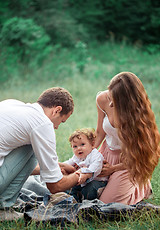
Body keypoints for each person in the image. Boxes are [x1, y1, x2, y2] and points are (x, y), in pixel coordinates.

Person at [0, 87, 80, 221]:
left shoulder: (12, 104)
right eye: (62, 121)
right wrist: (81, 174)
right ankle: (3, 208)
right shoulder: (41, 124)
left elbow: (15, 165)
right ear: (57, 110)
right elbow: (55, 186)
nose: (57, 127)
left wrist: (57, 165)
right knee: (32, 146)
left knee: (30, 143)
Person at [95, 72, 160, 205]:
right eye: (110, 96)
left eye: (116, 100)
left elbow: (141, 157)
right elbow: (99, 132)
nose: (111, 104)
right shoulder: (102, 99)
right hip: (106, 153)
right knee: (83, 188)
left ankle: (141, 188)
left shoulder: (139, 119)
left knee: (107, 205)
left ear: (128, 102)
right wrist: (86, 156)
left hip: (128, 163)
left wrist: (113, 169)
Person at [64, 128, 107, 202]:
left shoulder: (96, 155)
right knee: (70, 187)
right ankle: (73, 201)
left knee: (90, 189)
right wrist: (61, 166)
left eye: (82, 144)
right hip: (82, 181)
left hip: (97, 181)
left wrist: (83, 172)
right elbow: (69, 162)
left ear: (92, 144)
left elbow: (94, 168)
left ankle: (88, 203)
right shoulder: (77, 157)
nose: (79, 148)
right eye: (75, 146)